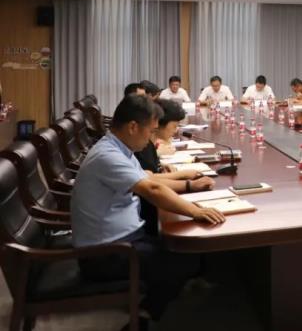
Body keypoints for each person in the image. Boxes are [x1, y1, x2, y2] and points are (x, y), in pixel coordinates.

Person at [71, 95, 225, 325]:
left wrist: (188, 184)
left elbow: (149, 178)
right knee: (184, 260)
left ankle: (156, 299)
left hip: (121, 240)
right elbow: (151, 189)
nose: (152, 137)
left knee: (179, 249)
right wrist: (195, 211)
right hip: (105, 254)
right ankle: (144, 314)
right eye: (150, 131)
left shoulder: (117, 148)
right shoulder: (108, 156)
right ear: (133, 127)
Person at [135, 99, 216, 235]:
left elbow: (148, 174)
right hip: (146, 220)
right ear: (159, 123)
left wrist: (161, 166)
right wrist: (187, 181)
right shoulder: (143, 145)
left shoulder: (147, 144)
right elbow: (150, 181)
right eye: (174, 125)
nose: (176, 129)